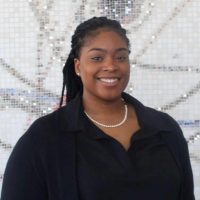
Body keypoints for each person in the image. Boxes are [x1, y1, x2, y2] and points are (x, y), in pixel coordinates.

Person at [1, 16, 195, 200]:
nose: (111, 66)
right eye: (97, 58)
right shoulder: (45, 138)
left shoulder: (165, 129)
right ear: (77, 66)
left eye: (120, 57)